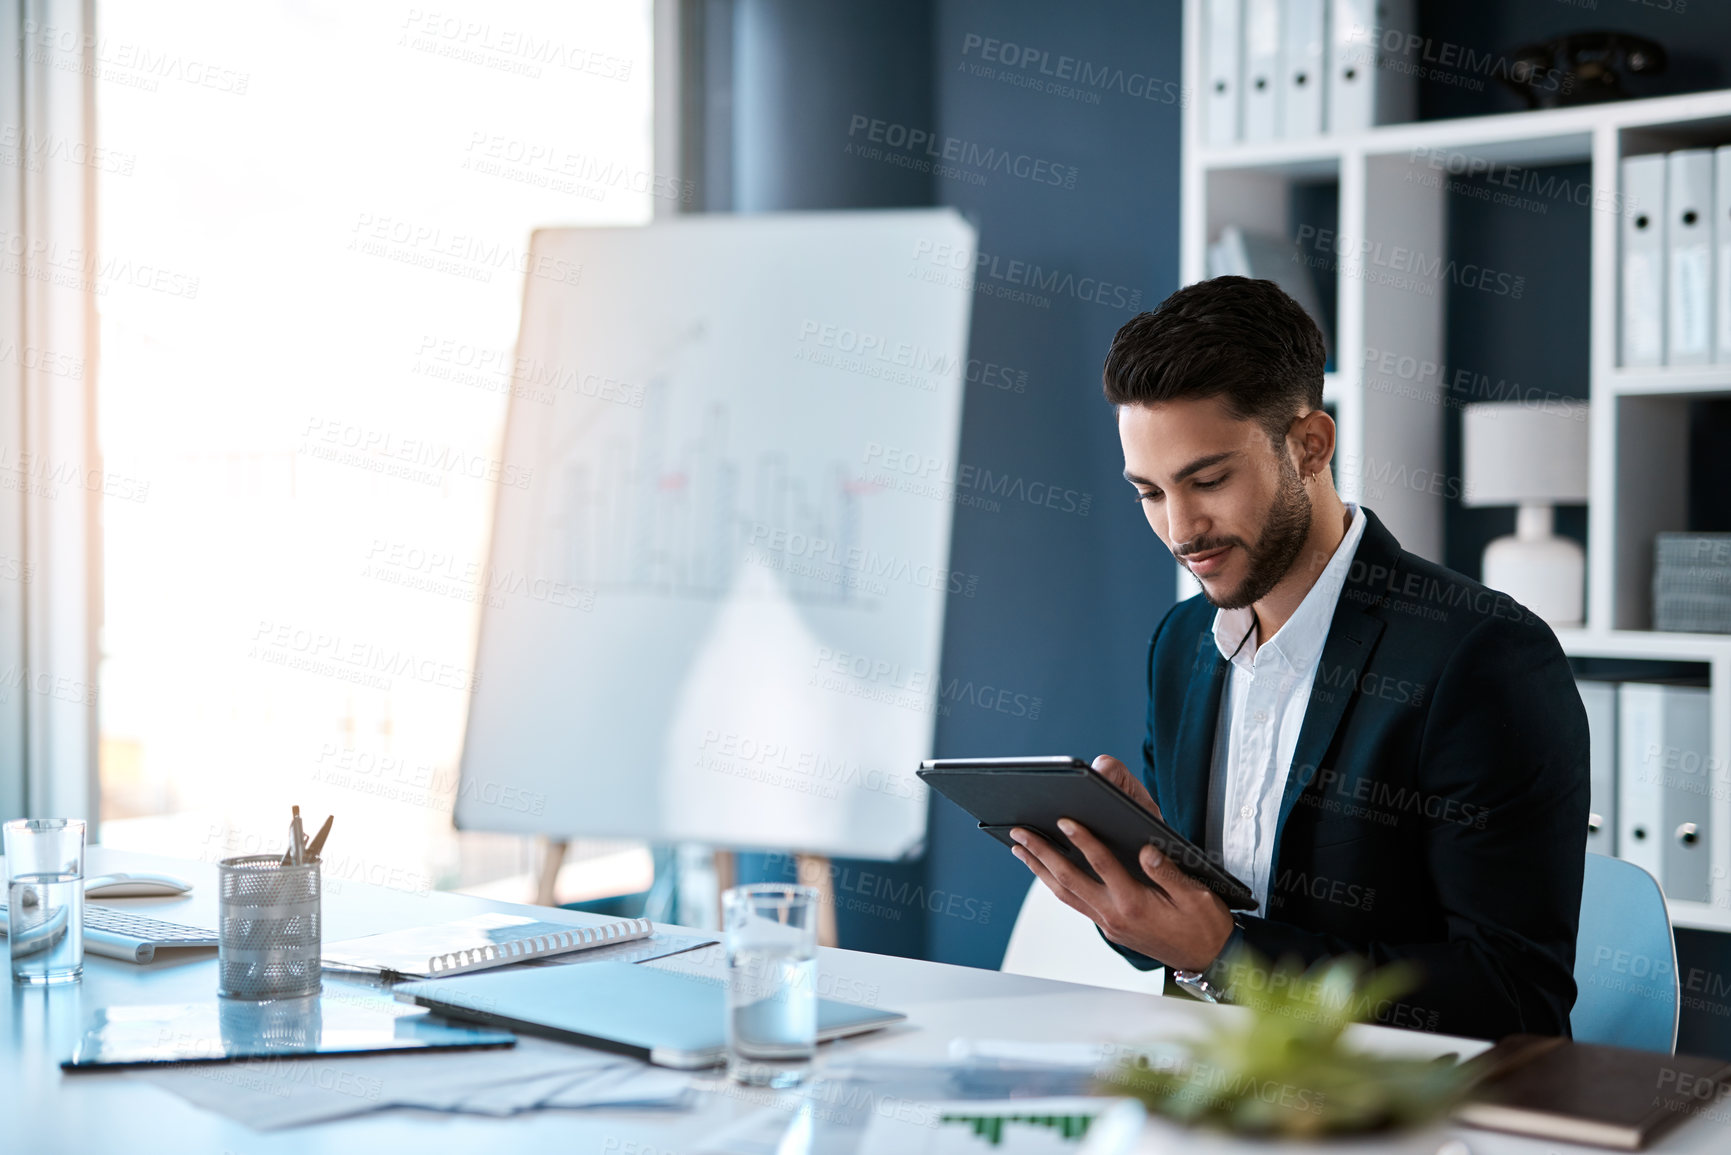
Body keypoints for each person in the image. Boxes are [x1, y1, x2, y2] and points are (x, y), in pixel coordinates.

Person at [1008, 276, 1589, 1041]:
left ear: (1310, 444)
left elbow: (1514, 999)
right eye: (1148, 492)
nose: (1180, 528)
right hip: (1210, 1091)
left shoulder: (1481, 658)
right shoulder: (1181, 645)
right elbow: (1188, 953)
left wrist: (1224, 955)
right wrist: (1140, 892)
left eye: (1207, 479)